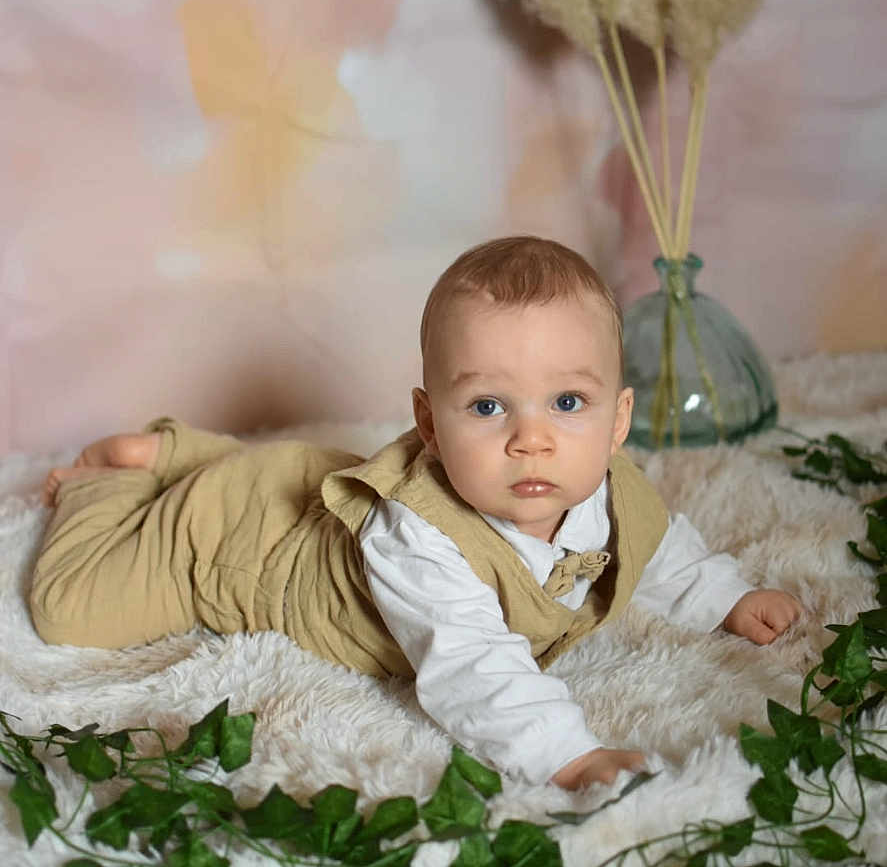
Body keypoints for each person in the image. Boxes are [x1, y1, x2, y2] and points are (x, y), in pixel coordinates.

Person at [32, 236, 801, 790]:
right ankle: (118, 478)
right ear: (430, 424)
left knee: (297, 473)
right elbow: (471, 665)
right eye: (488, 405)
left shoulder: (608, 483)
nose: (531, 438)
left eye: (567, 402)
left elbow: (656, 546)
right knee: (69, 610)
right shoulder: (421, 532)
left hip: (301, 483)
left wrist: (721, 596)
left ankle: (187, 453)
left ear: (617, 419)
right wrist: (565, 754)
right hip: (240, 546)